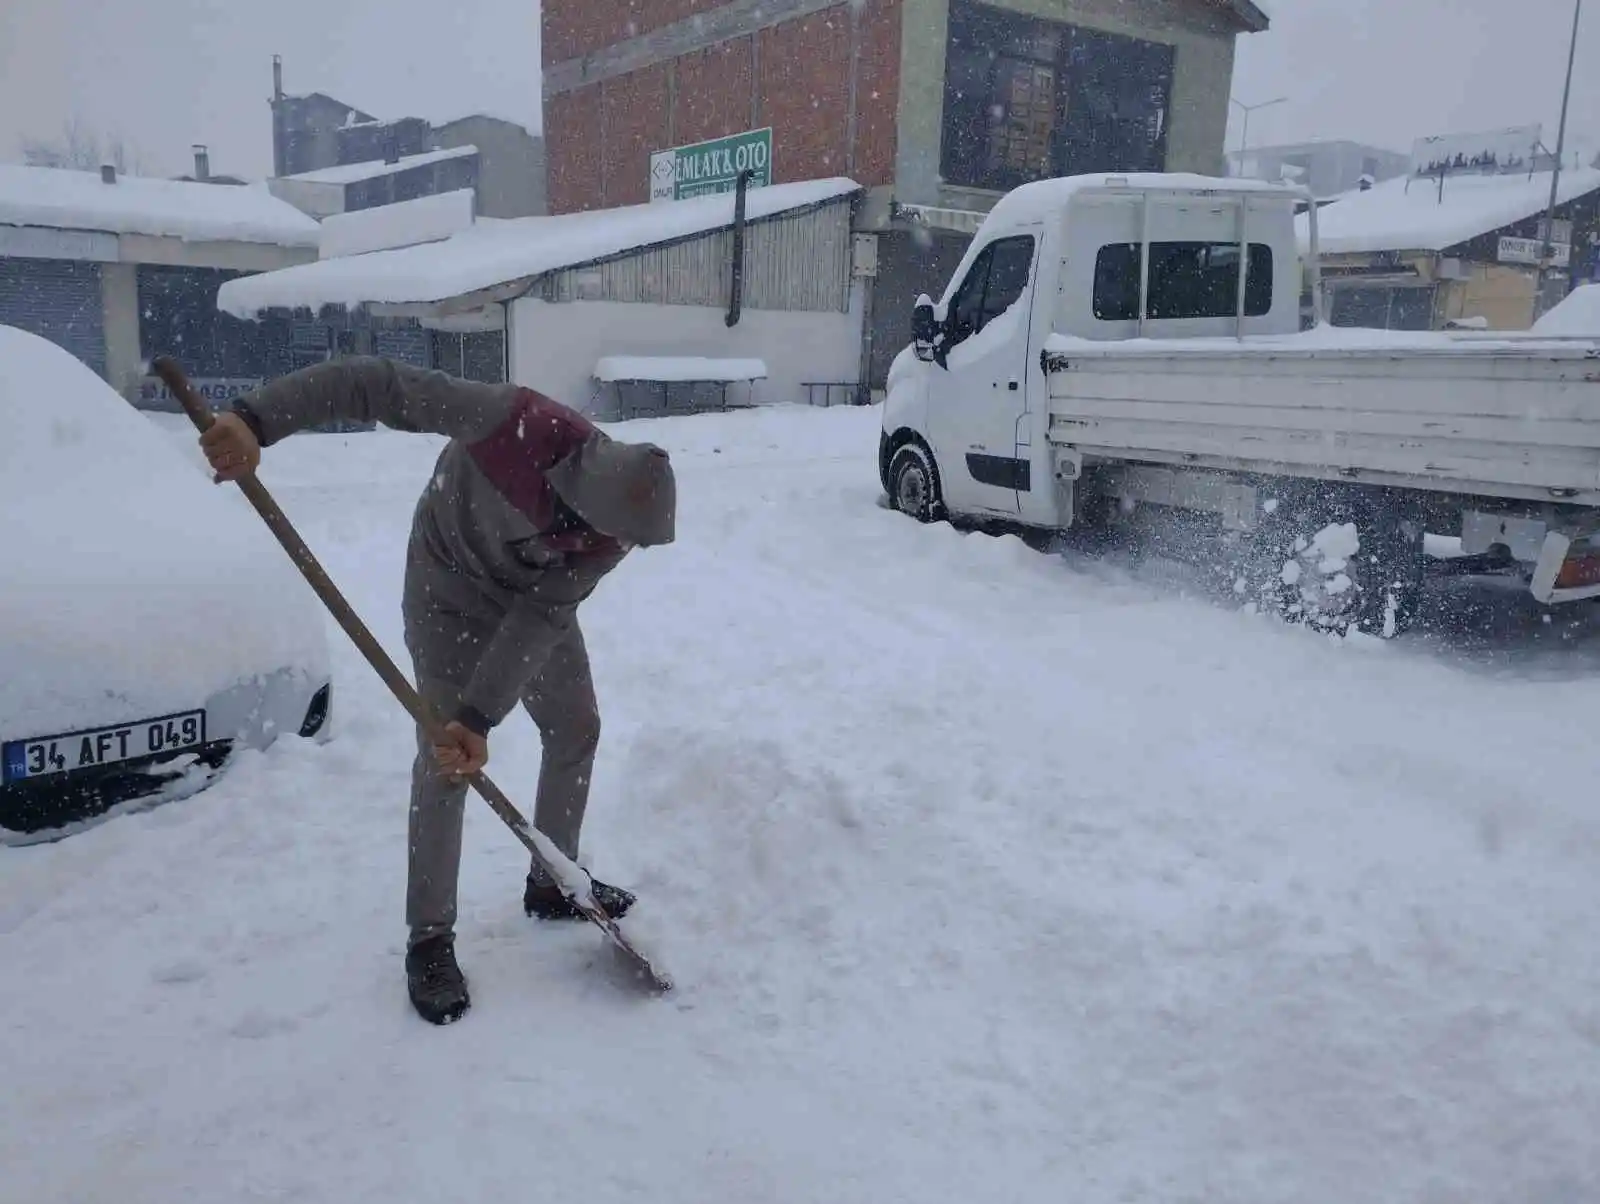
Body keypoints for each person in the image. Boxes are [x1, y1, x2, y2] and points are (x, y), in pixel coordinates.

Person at [200, 356, 676, 1026]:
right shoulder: (512, 420)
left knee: (574, 728)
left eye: (633, 542)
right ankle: (429, 938)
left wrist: (482, 715)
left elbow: (540, 618)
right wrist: (255, 420)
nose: (621, 549)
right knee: (446, 763)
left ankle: (551, 883)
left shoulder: (606, 540)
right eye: (620, 535)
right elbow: (377, 384)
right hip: (446, 588)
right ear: (589, 497)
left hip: (528, 597)